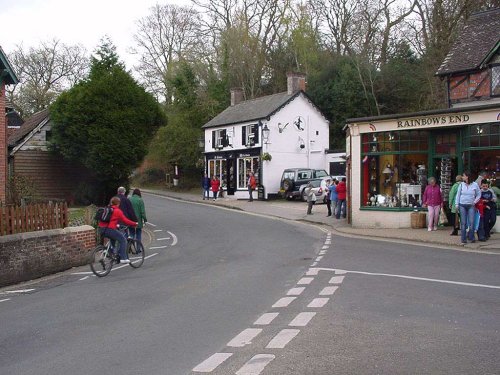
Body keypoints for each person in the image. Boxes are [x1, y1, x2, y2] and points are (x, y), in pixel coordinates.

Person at [98, 196, 138, 264]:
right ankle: (123, 258)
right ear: (118, 203)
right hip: (109, 230)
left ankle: (109, 252)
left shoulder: (107, 209)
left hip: (101, 229)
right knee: (123, 240)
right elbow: (125, 220)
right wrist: (134, 223)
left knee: (113, 238)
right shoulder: (117, 211)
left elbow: (110, 220)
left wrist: (116, 225)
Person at [455, 171, 481, 245]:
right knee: (463, 223)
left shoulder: (475, 185)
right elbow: (458, 195)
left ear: (467, 177)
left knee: (471, 223)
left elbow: (479, 194)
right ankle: (463, 239)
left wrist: (475, 202)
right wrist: (457, 204)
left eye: (463, 176)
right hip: (462, 205)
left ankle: (471, 237)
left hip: (471, 205)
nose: (462, 177)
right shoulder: (461, 185)